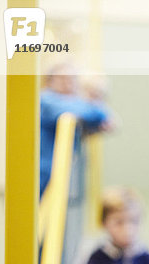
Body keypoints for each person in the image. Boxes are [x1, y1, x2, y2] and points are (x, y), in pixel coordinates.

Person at [40, 63, 114, 197]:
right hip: (43, 170)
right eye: (62, 78)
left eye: (72, 79)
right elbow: (92, 113)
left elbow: (107, 122)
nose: (68, 83)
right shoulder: (46, 99)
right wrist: (98, 109)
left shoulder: (74, 102)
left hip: (59, 172)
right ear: (49, 80)